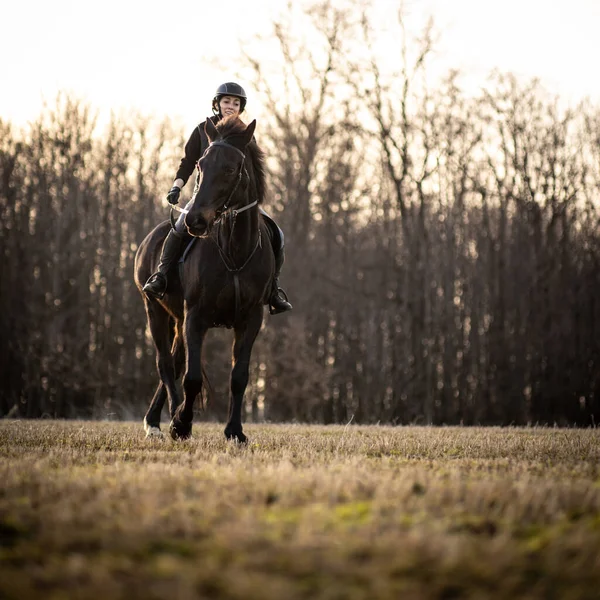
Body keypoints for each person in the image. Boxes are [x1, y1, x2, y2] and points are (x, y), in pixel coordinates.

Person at [143, 82, 292, 314]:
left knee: (277, 234)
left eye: (236, 103)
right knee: (178, 229)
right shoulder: (203, 129)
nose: (231, 106)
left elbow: (254, 171)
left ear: (241, 107)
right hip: (205, 200)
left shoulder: (245, 136)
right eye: (226, 102)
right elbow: (187, 162)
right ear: (217, 104)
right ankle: (161, 276)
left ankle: (273, 289)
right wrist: (176, 186)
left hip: (238, 202)